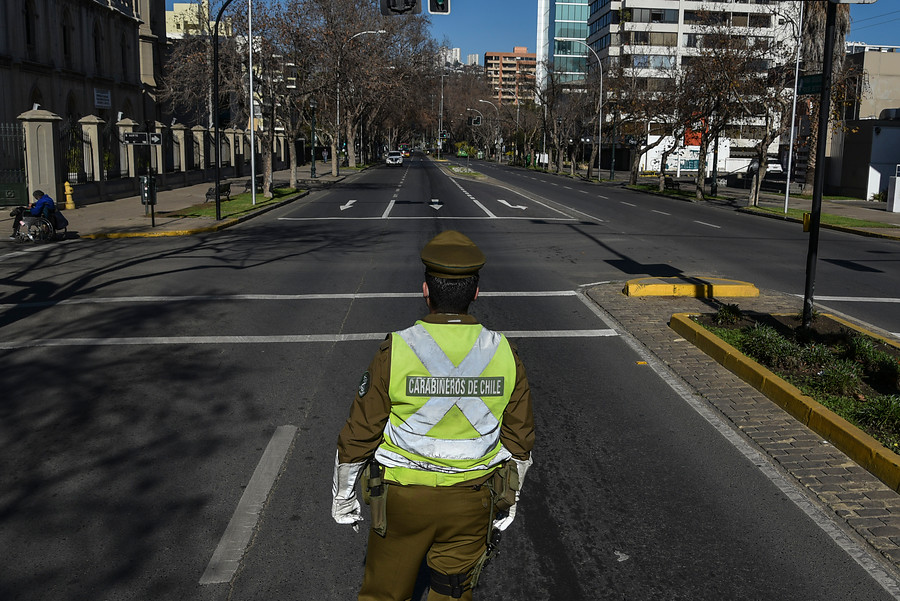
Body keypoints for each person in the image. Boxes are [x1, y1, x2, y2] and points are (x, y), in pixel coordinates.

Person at [332, 230, 535, 601]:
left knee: (384, 594)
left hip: (402, 498)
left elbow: (360, 433)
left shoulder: (396, 349)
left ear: (426, 292)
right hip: (473, 500)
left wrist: (343, 496)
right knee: (453, 593)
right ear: (476, 293)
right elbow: (519, 442)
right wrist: (510, 499)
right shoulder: (506, 353)